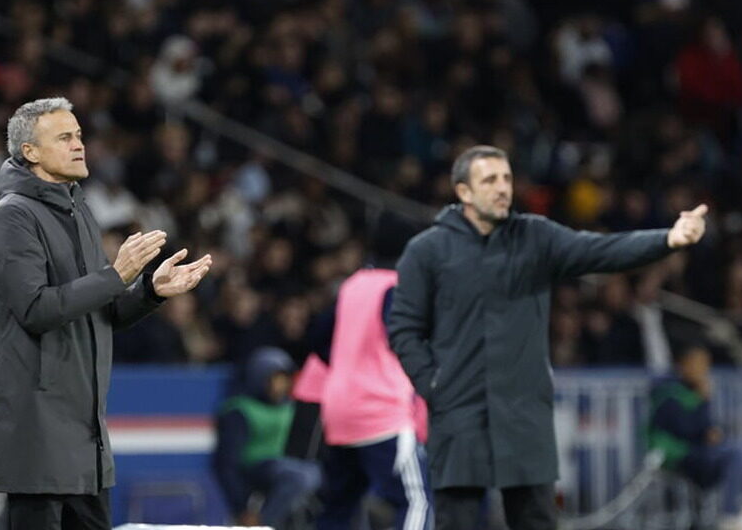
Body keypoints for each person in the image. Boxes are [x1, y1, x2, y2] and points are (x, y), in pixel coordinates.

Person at [388, 145, 707, 530]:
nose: (502, 188)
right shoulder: (427, 252)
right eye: (489, 180)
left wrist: (667, 239)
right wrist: (433, 386)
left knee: (537, 521)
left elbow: (600, 250)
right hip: (460, 415)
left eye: (507, 178)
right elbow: (403, 327)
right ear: (464, 192)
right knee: (457, 522)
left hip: (524, 414)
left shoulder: (534, 237)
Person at [0, 97, 212, 529]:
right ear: (30, 152)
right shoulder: (12, 217)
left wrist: (149, 291)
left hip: (85, 433)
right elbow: (36, 309)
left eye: (79, 135)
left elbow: (101, 311)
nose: (78, 145)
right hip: (37, 431)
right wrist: (117, 274)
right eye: (64, 137)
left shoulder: (79, 209)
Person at [304, 261, 431, 530]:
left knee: (339, 505)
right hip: (382, 412)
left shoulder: (353, 284)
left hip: (339, 412)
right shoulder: (397, 285)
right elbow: (404, 339)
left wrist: (345, 367)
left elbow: (316, 336)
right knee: (416, 501)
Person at [648, 342, 742, 527]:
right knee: (739, 452)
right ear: (682, 364)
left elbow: (707, 427)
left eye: (705, 364)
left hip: (705, 452)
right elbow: (684, 430)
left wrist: (713, 429)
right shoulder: (669, 393)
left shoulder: (696, 391)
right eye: (697, 363)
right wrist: (703, 402)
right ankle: (730, 514)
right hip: (683, 455)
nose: (702, 370)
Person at [214, 346, 322, 528]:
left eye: (285, 380)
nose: (281, 386)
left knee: (320, 474)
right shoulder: (239, 411)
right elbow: (226, 463)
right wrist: (241, 508)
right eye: (275, 380)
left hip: (286, 466)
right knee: (298, 477)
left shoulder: (291, 408)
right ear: (260, 378)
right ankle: (264, 524)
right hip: (255, 469)